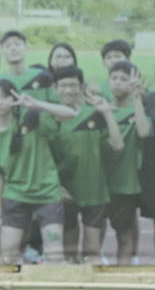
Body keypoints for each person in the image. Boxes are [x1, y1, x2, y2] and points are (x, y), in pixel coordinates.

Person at [0, 78, 77, 266]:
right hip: (15, 194)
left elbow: (70, 113)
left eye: (5, 96)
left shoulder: (32, 119)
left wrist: (36, 104)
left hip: (46, 192)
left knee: (55, 255)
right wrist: (0, 214)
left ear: (14, 99)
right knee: (8, 256)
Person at [48, 66, 120, 264]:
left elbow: (117, 145)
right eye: (63, 85)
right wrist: (58, 187)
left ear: (81, 87)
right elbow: (44, 159)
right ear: (55, 88)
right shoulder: (50, 118)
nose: (68, 90)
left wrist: (107, 113)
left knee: (92, 251)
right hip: (65, 193)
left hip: (94, 191)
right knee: (68, 252)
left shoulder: (93, 115)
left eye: (73, 85)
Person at [101, 61, 149, 265]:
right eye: (114, 78)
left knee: (124, 237)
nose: (118, 82)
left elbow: (143, 132)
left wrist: (137, 98)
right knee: (94, 236)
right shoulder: (100, 109)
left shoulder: (137, 112)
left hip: (124, 186)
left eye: (124, 79)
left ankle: (123, 274)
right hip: (97, 185)